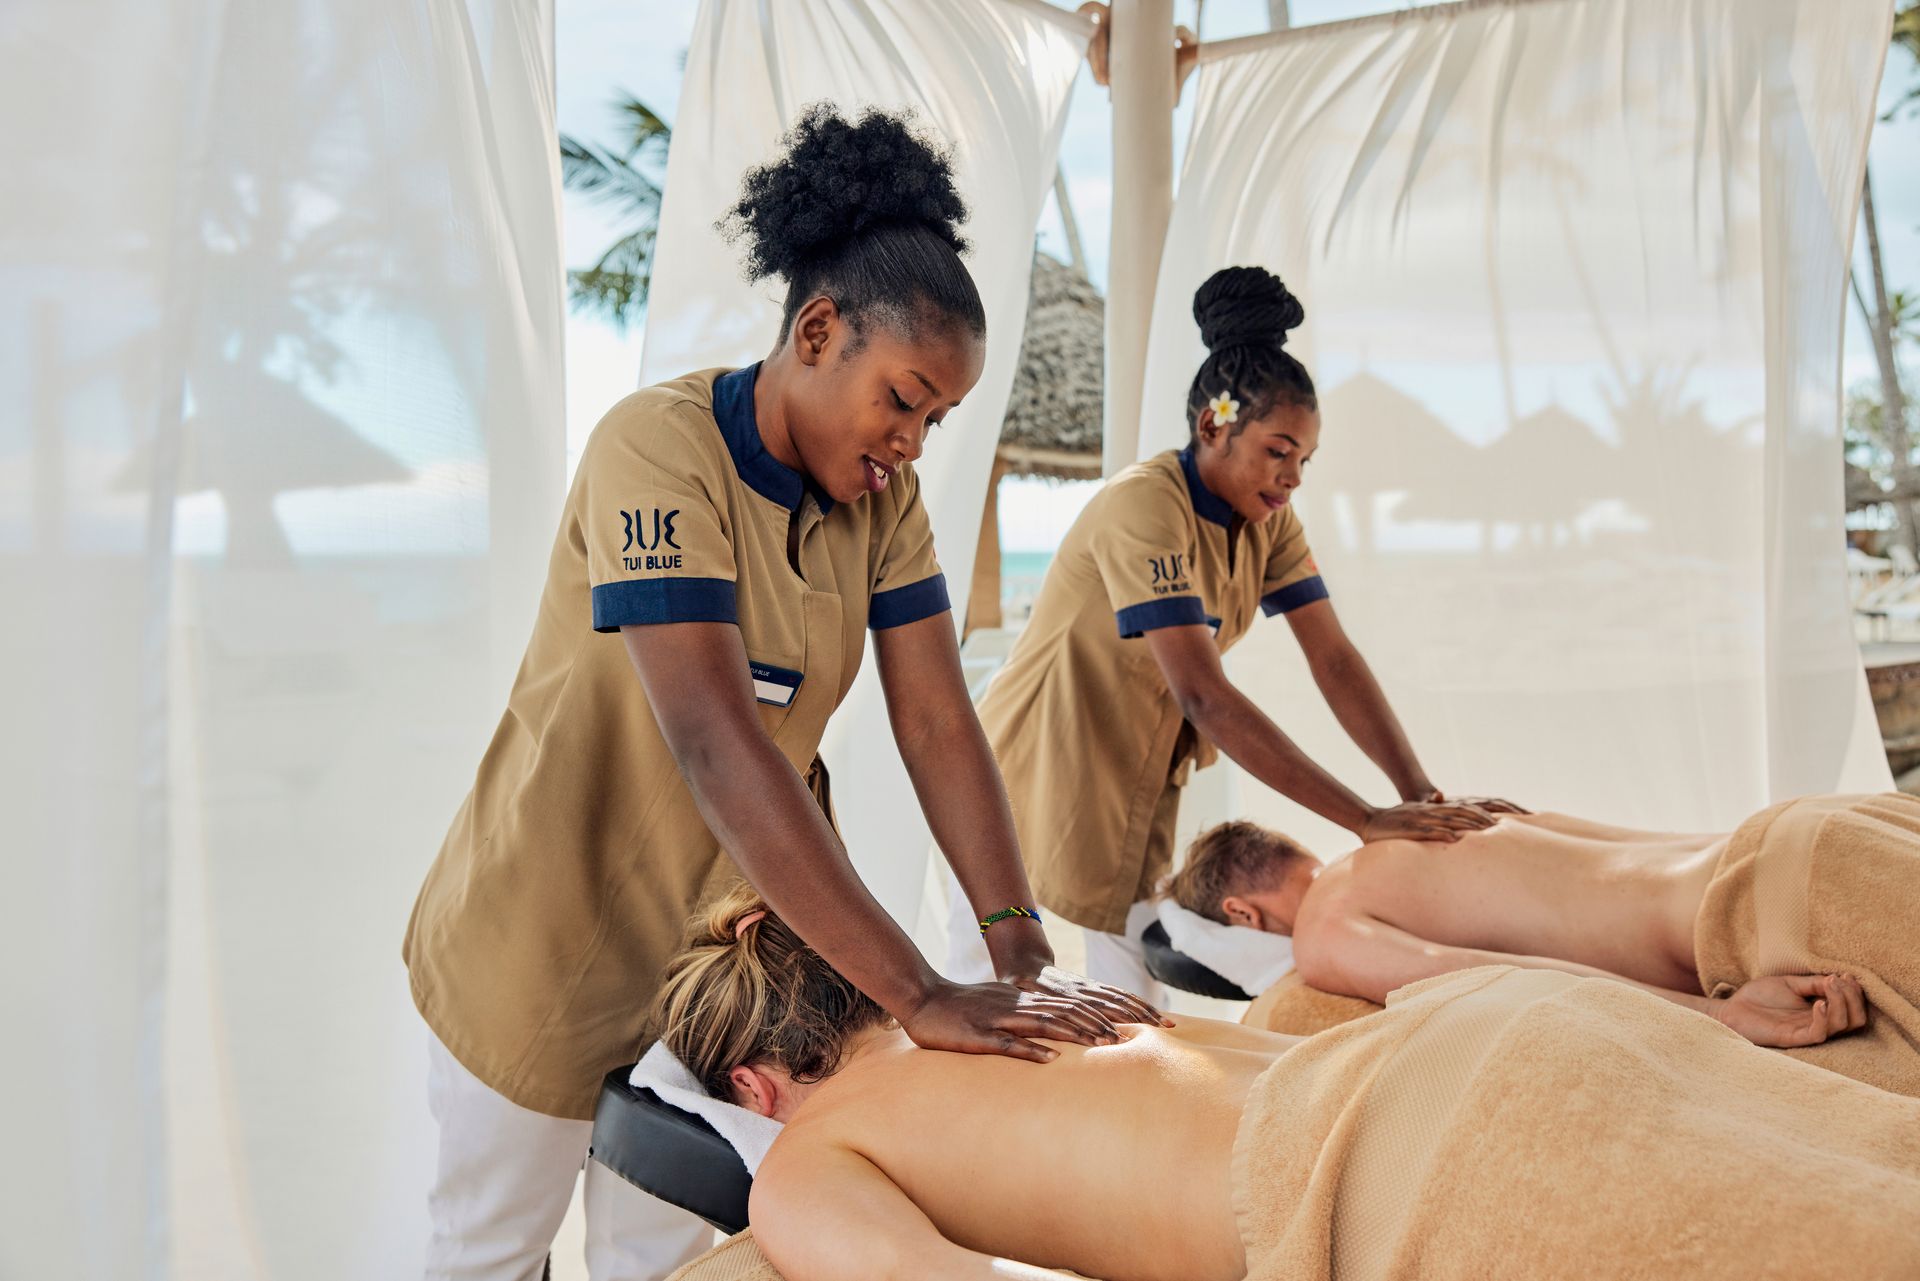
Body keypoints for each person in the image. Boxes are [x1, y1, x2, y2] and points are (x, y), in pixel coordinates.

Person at [401, 105, 1160, 1281]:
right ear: (818, 331)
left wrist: (1018, 951)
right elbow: (715, 740)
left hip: (708, 971)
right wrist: (916, 992)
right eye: (902, 399)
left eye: (937, 419)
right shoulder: (655, 452)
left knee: (664, 1257)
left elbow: (937, 719)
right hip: (540, 940)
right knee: (488, 1256)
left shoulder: (883, 507)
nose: (914, 441)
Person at [654, 889, 1920, 1281]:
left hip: (1416, 1163)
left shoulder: (814, 1158)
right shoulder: (1031, 1008)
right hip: (1502, 1030)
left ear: (755, 1087)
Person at [957, 265, 1518, 998]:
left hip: (1132, 765)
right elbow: (1205, 696)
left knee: (1129, 987)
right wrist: (1364, 817)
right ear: (1213, 426)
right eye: (1278, 450)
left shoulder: (1269, 522)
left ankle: (1129, 1091)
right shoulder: (1144, 507)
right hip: (1031, 751)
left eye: (1304, 459)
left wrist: (1420, 796)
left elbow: (1335, 658)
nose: (1292, 477)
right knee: (988, 969)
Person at [1165, 808, 1877, 1050]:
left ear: (1241, 914)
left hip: (1752, 914)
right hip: (1785, 835)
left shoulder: (1323, 932)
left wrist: (1721, 1014)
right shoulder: (1430, 822)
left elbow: (1506, 984)